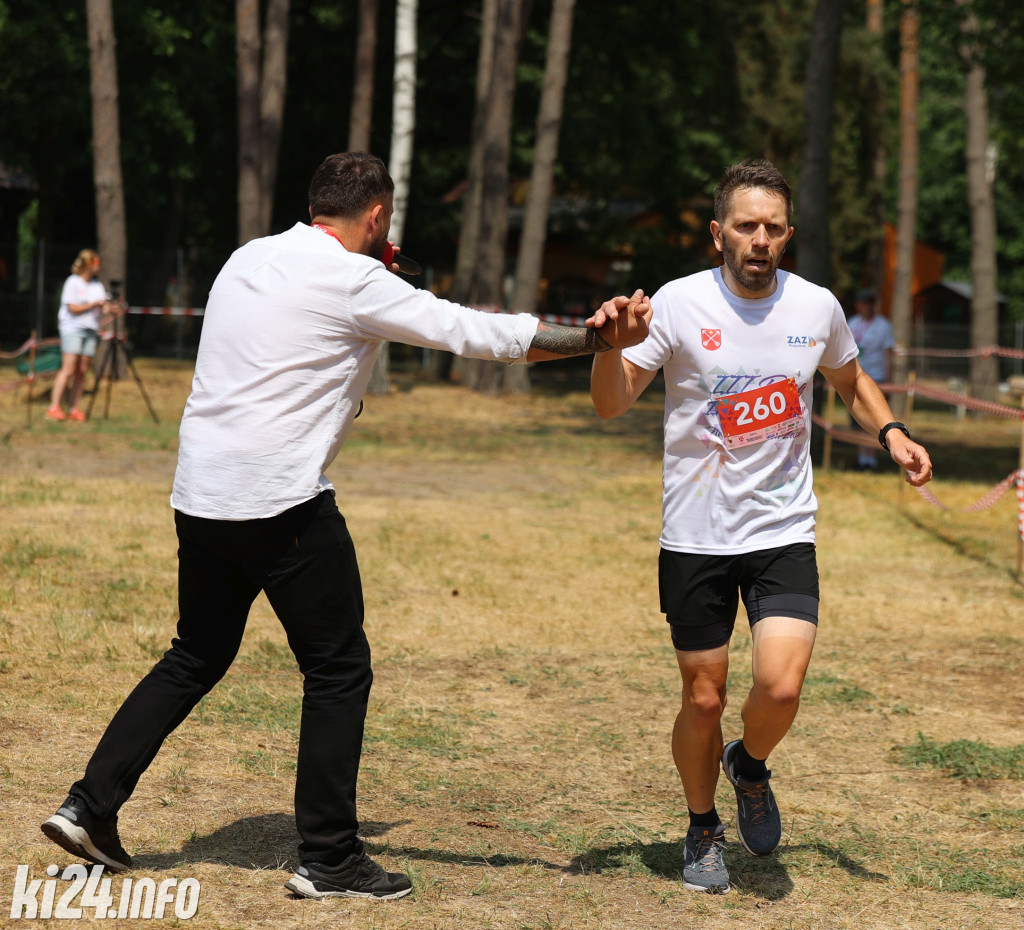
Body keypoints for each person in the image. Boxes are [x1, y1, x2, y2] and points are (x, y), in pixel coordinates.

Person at [40, 152, 653, 901]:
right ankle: (329, 856)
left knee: (195, 654)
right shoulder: (357, 279)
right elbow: (471, 332)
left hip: (200, 492)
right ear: (377, 217)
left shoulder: (247, 258)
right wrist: (595, 340)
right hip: (280, 498)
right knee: (338, 669)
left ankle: (87, 806)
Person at [590, 159, 931, 895]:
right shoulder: (678, 306)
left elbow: (851, 380)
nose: (759, 240)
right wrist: (613, 344)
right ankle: (702, 826)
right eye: (746, 226)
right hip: (696, 536)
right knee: (703, 698)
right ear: (719, 232)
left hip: (782, 528)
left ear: (788, 236)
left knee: (779, 688)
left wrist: (892, 432)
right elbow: (612, 404)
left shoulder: (816, 308)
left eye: (773, 228)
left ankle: (747, 766)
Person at [48, 249, 110, 422]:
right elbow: (72, 308)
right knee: (68, 369)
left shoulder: (97, 285)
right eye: (96, 263)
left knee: (82, 371)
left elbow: (103, 306)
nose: (98, 267)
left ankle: (74, 408)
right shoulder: (73, 282)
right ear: (88, 265)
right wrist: (93, 305)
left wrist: (111, 308)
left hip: (90, 330)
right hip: (73, 329)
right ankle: (54, 407)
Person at [847, 288, 895, 471]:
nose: (866, 306)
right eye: (862, 303)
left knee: (875, 419)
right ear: (858, 305)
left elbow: (887, 354)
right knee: (859, 419)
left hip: (876, 377)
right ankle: (862, 458)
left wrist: (888, 382)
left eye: (869, 303)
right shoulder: (852, 323)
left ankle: (872, 460)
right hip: (855, 376)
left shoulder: (883, 326)